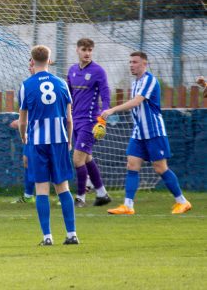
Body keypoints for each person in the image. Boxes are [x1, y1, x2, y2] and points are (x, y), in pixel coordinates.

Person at [102, 52, 191, 215]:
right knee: (132, 165)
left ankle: (182, 201)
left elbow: (137, 102)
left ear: (144, 64)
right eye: (130, 62)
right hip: (139, 132)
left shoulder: (150, 80)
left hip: (153, 131)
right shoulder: (135, 82)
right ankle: (128, 206)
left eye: (135, 62)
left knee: (160, 168)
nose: (131, 65)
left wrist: (112, 110)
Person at [19, 45, 78, 246]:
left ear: (32, 60)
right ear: (49, 60)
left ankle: (47, 237)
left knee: (41, 189)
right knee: (63, 187)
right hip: (59, 140)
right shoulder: (62, 84)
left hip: (37, 142)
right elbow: (69, 119)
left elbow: (22, 121)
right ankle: (72, 234)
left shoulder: (26, 85)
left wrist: (23, 137)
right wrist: (69, 140)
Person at [66, 38, 112, 207]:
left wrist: (104, 115)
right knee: (86, 159)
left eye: (90, 50)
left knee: (77, 160)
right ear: (77, 50)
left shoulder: (98, 71)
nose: (87, 53)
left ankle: (80, 198)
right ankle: (102, 194)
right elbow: (69, 95)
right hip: (76, 120)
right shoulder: (72, 70)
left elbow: (105, 94)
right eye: (84, 49)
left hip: (90, 121)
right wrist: (67, 114)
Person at [10, 58, 36, 204]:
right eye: (29, 65)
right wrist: (21, 123)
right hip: (31, 130)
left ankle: (60, 194)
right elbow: (25, 110)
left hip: (45, 130)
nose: (29, 68)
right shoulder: (26, 86)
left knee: (49, 162)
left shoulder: (52, 83)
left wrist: (22, 123)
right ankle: (28, 195)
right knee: (27, 160)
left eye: (32, 65)